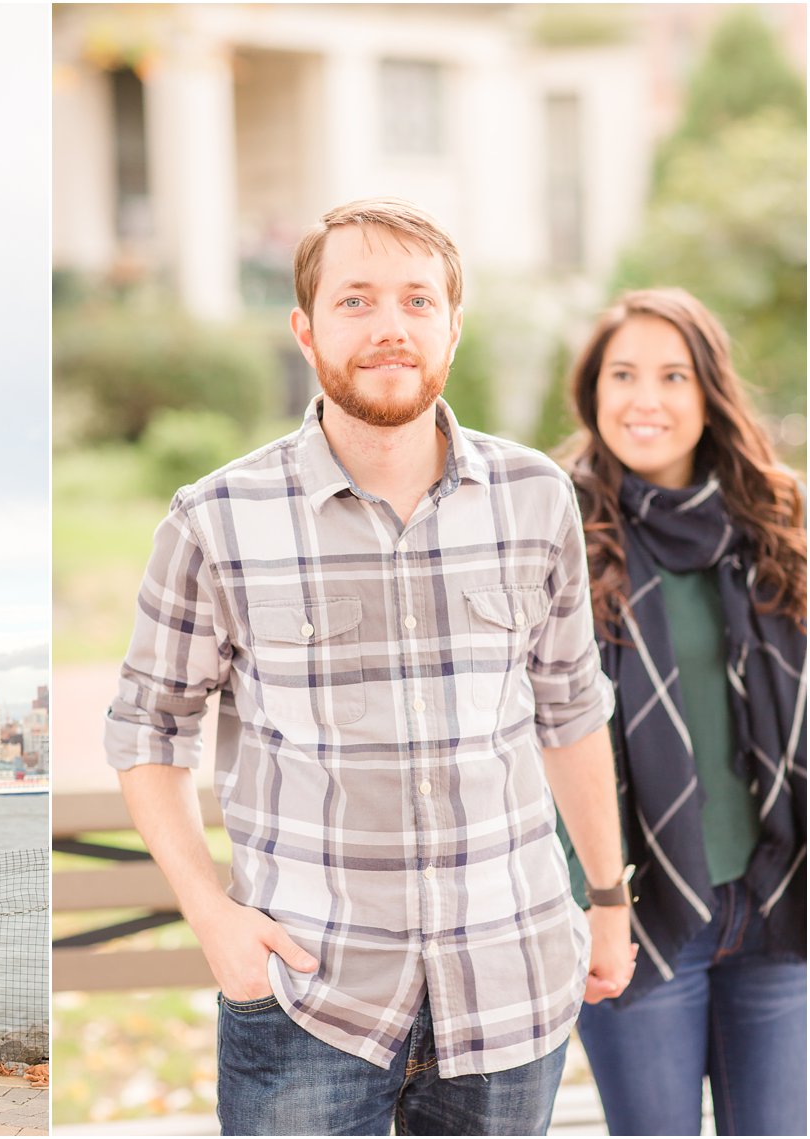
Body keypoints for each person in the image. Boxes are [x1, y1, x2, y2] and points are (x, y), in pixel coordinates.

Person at [106, 197, 637, 1136]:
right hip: (311, 997)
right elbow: (148, 732)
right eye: (356, 301)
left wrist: (604, 896)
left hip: (508, 987)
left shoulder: (535, 497)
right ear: (305, 331)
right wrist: (213, 917)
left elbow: (570, 709)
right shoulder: (216, 518)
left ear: (452, 325)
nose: (391, 327)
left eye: (417, 301)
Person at [558, 288, 806, 1136]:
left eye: (673, 375)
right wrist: (589, 900)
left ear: (710, 395)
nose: (646, 399)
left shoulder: (777, 523)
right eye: (622, 374)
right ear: (593, 391)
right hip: (634, 908)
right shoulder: (554, 532)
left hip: (776, 903)